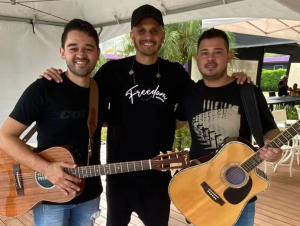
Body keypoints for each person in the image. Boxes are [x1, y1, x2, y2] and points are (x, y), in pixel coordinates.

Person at [40, 5, 251, 226]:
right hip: (118, 175)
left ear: (162, 35)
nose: (147, 36)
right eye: (141, 30)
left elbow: (201, 96)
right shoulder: (112, 72)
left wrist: (233, 80)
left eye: (153, 30)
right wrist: (58, 78)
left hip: (158, 175)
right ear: (132, 36)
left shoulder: (175, 73)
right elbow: (84, 101)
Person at [176, 28, 283, 226]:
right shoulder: (189, 93)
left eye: (217, 52)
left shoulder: (248, 92)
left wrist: (275, 150)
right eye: (205, 53)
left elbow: (270, 129)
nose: (210, 58)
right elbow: (174, 123)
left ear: (228, 56)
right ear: (197, 57)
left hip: (240, 192)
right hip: (201, 190)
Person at [0, 19, 102, 226]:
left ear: (98, 53)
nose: (81, 55)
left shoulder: (100, 92)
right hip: (48, 194)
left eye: (88, 49)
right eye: (73, 48)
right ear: (62, 52)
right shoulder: (44, 89)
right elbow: (5, 136)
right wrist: (46, 169)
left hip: (89, 196)